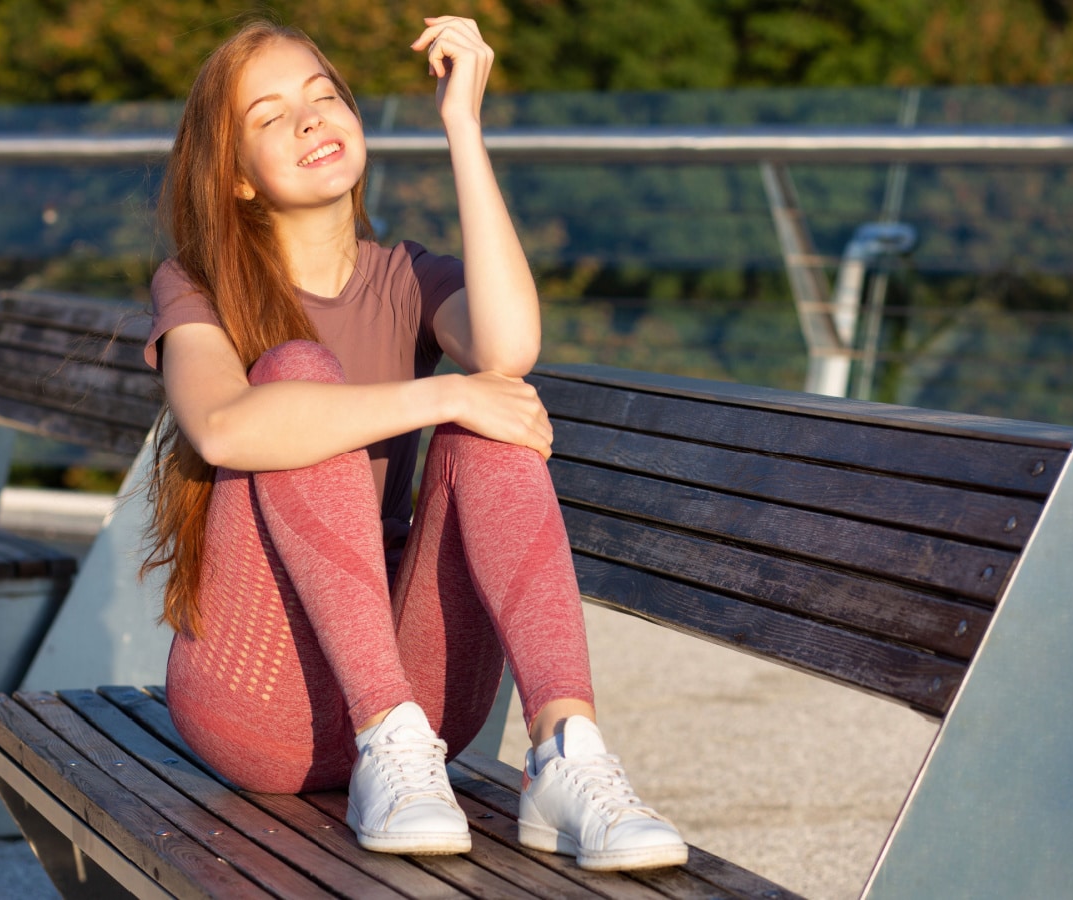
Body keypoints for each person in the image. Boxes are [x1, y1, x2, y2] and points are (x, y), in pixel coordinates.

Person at [141, 15, 688, 871]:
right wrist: (441, 390)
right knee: (300, 377)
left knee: (490, 414)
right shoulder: (194, 286)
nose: (311, 119)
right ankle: (382, 737)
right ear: (236, 178)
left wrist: (462, 125)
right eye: (271, 116)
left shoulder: (406, 275)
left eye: (324, 98)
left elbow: (508, 355)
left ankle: (566, 752)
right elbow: (222, 427)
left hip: (421, 720)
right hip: (258, 703)